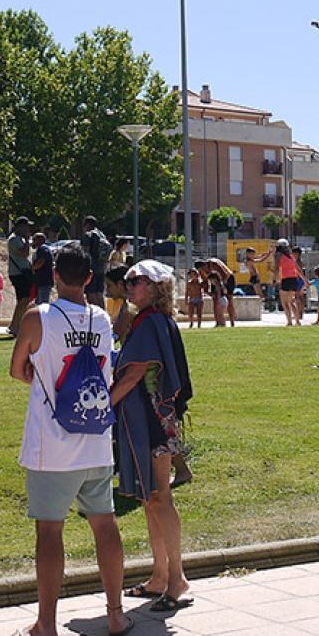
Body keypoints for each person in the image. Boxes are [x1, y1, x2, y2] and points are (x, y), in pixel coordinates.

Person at [7, 246, 132, 636]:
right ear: (90, 278)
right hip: (96, 438)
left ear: (55, 274)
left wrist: (41, 373)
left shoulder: (38, 317)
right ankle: (115, 614)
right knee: (104, 523)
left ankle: (46, 624)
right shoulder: (101, 318)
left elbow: (17, 369)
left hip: (53, 443)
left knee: (49, 531)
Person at [112, 260, 193, 611]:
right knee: (150, 499)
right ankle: (160, 575)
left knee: (159, 498)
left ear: (156, 286)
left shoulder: (149, 323)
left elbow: (132, 377)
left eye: (137, 281)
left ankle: (177, 579)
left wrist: (100, 408)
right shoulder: (150, 320)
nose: (129, 286)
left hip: (153, 422)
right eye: (128, 281)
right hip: (151, 420)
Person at [6, 216, 36, 336]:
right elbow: (24, 253)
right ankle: (14, 326)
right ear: (20, 226)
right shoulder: (13, 240)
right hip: (18, 273)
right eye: (26, 226)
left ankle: (18, 325)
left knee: (26, 299)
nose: (28, 228)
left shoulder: (21, 239)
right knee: (23, 299)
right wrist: (27, 240)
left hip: (24, 273)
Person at [80, 216, 111, 309]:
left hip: (91, 268)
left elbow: (84, 253)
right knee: (99, 293)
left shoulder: (88, 235)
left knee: (91, 293)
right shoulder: (102, 235)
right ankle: (103, 313)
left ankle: (95, 315)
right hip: (102, 268)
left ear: (87, 224)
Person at [277, 239, 306, 326]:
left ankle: (289, 322)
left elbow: (276, 269)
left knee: (285, 303)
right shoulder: (291, 257)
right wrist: (305, 280)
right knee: (291, 301)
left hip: (285, 279)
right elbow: (298, 270)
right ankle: (297, 321)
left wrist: (275, 279)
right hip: (294, 280)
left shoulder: (279, 256)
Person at [30, 231, 54, 307]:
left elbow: (40, 262)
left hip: (44, 281)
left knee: (43, 305)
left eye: (34, 240)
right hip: (41, 282)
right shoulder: (42, 249)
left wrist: (31, 268)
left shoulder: (43, 249)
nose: (33, 242)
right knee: (38, 304)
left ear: (40, 240)